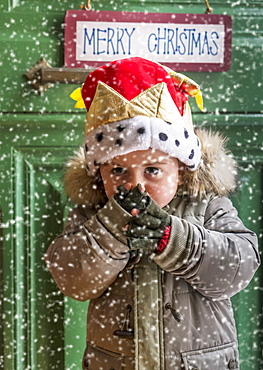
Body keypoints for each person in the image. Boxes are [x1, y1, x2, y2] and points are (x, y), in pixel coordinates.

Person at [44, 57, 260, 370]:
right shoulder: (93, 214)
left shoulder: (206, 205)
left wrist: (174, 239)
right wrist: (112, 228)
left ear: (182, 171)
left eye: (153, 170)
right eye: (118, 170)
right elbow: (74, 279)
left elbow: (237, 267)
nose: (135, 185)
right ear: (98, 174)